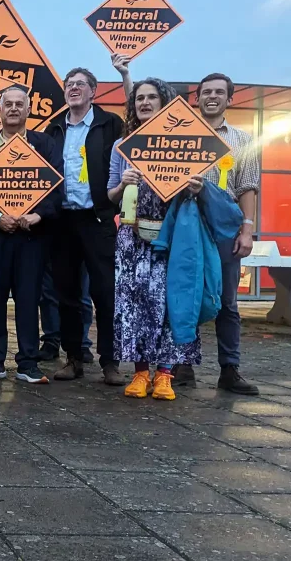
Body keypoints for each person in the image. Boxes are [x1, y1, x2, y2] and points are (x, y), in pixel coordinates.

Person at [108, 77, 204, 401]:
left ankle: (165, 375)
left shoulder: (183, 145)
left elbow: (199, 191)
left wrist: (195, 187)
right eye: (139, 98)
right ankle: (140, 373)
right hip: (132, 238)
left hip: (172, 238)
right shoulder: (122, 146)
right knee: (135, 305)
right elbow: (109, 195)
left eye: (151, 97)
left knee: (170, 304)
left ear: (164, 102)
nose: (145, 103)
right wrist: (122, 184)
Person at [0, 87, 62, 384]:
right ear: (0, 110)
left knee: (29, 299)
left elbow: (58, 186)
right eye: (9, 104)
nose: (14, 109)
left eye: (20, 104)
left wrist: (38, 215)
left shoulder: (45, 145)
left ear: (28, 110)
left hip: (32, 237)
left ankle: (28, 363)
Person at [176, 73, 260, 395]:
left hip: (225, 230)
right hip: (187, 227)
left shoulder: (243, 141)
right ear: (197, 98)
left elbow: (247, 187)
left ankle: (230, 370)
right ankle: (182, 366)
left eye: (219, 92)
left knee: (227, 302)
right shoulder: (182, 136)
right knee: (186, 297)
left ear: (230, 99)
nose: (212, 96)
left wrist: (247, 231)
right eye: (206, 92)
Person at [45, 67, 124, 385]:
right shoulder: (54, 128)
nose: (74, 88)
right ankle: (73, 358)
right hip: (63, 221)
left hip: (97, 219)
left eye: (81, 84)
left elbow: (138, 127)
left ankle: (110, 362)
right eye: (69, 84)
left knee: (105, 292)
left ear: (94, 91)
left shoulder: (110, 124)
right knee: (66, 294)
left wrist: (125, 74)